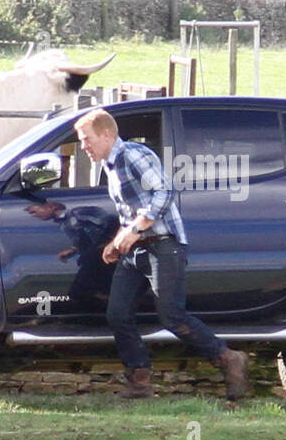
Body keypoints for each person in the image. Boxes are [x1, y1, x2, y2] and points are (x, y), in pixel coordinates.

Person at [73, 108, 249, 400]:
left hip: (163, 245)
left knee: (171, 316)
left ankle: (229, 358)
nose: (83, 146)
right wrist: (118, 240)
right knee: (118, 314)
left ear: (107, 134)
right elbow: (132, 209)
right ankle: (140, 380)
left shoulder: (131, 155)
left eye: (86, 139)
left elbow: (165, 192)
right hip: (137, 251)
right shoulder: (110, 164)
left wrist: (137, 230)